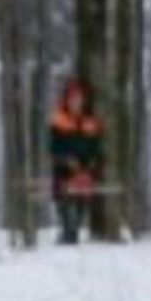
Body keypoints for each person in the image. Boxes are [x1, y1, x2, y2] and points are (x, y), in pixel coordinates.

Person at [49, 78, 103, 244]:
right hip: (64, 169)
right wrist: (66, 160)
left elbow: (96, 146)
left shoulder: (90, 121)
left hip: (86, 170)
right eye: (73, 99)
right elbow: (54, 147)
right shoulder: (58, 119)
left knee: (81, 200)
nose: (76, 103)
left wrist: (92, 163)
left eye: (78, 99)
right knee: (64, 198)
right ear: (67, 100)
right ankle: (68, 230)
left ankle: (73, 229)